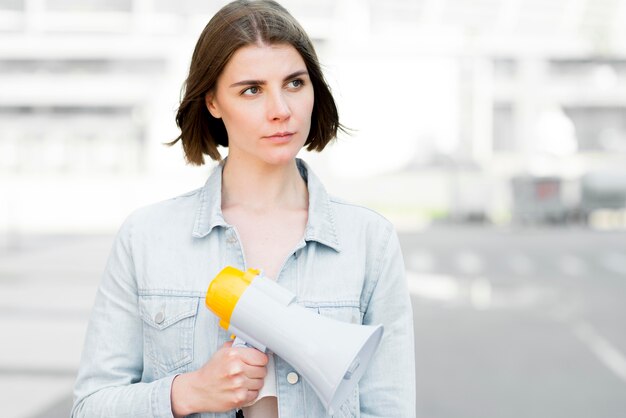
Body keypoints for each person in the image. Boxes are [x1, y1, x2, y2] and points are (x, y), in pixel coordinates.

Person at [71, 1, 415, 417]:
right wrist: (189, 392)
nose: (281, 110)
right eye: (252, 89)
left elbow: (390, 408)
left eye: (294, 83)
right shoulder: (147, 238)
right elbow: (90, 408)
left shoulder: (368, 240)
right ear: (213, 101)